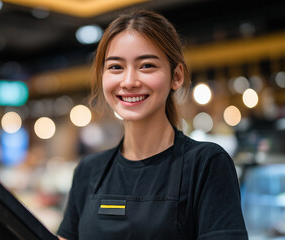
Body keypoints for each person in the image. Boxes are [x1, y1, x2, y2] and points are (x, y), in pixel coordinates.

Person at [57, 9, 248, 240]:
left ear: (176, 76)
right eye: (116, 67)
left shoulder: (207, 164)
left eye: (146, 65)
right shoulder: (88, 171)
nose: (128, 82)